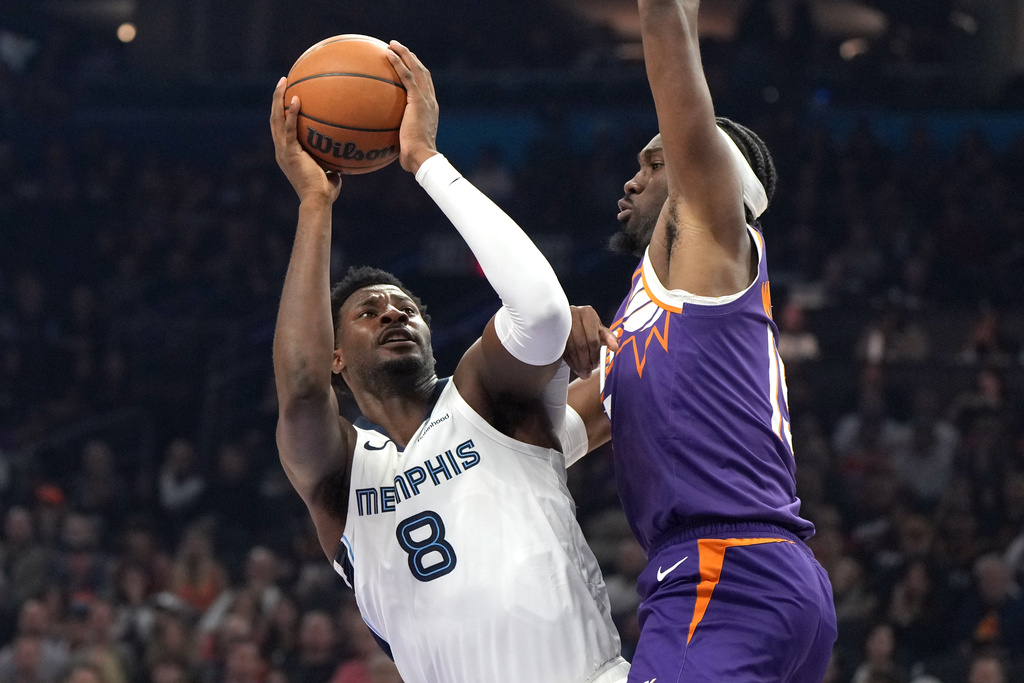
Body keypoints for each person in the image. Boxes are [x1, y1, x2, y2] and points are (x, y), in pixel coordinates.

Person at [269, 40, 628, 683]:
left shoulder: (484, 399)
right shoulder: (343, 477)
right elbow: (298, 392)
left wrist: (424, 161)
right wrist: (315, 204)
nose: (392, 315)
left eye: (405, 307)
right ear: (334, 357)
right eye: (368, 311)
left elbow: (541, 313)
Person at [560, 0, 837, 680]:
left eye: (654, 163)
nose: (633, 177)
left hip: (722, 569)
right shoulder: (644, 318)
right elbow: (550, 433)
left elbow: (664, 29)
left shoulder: (717, 237)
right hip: (751, 574)